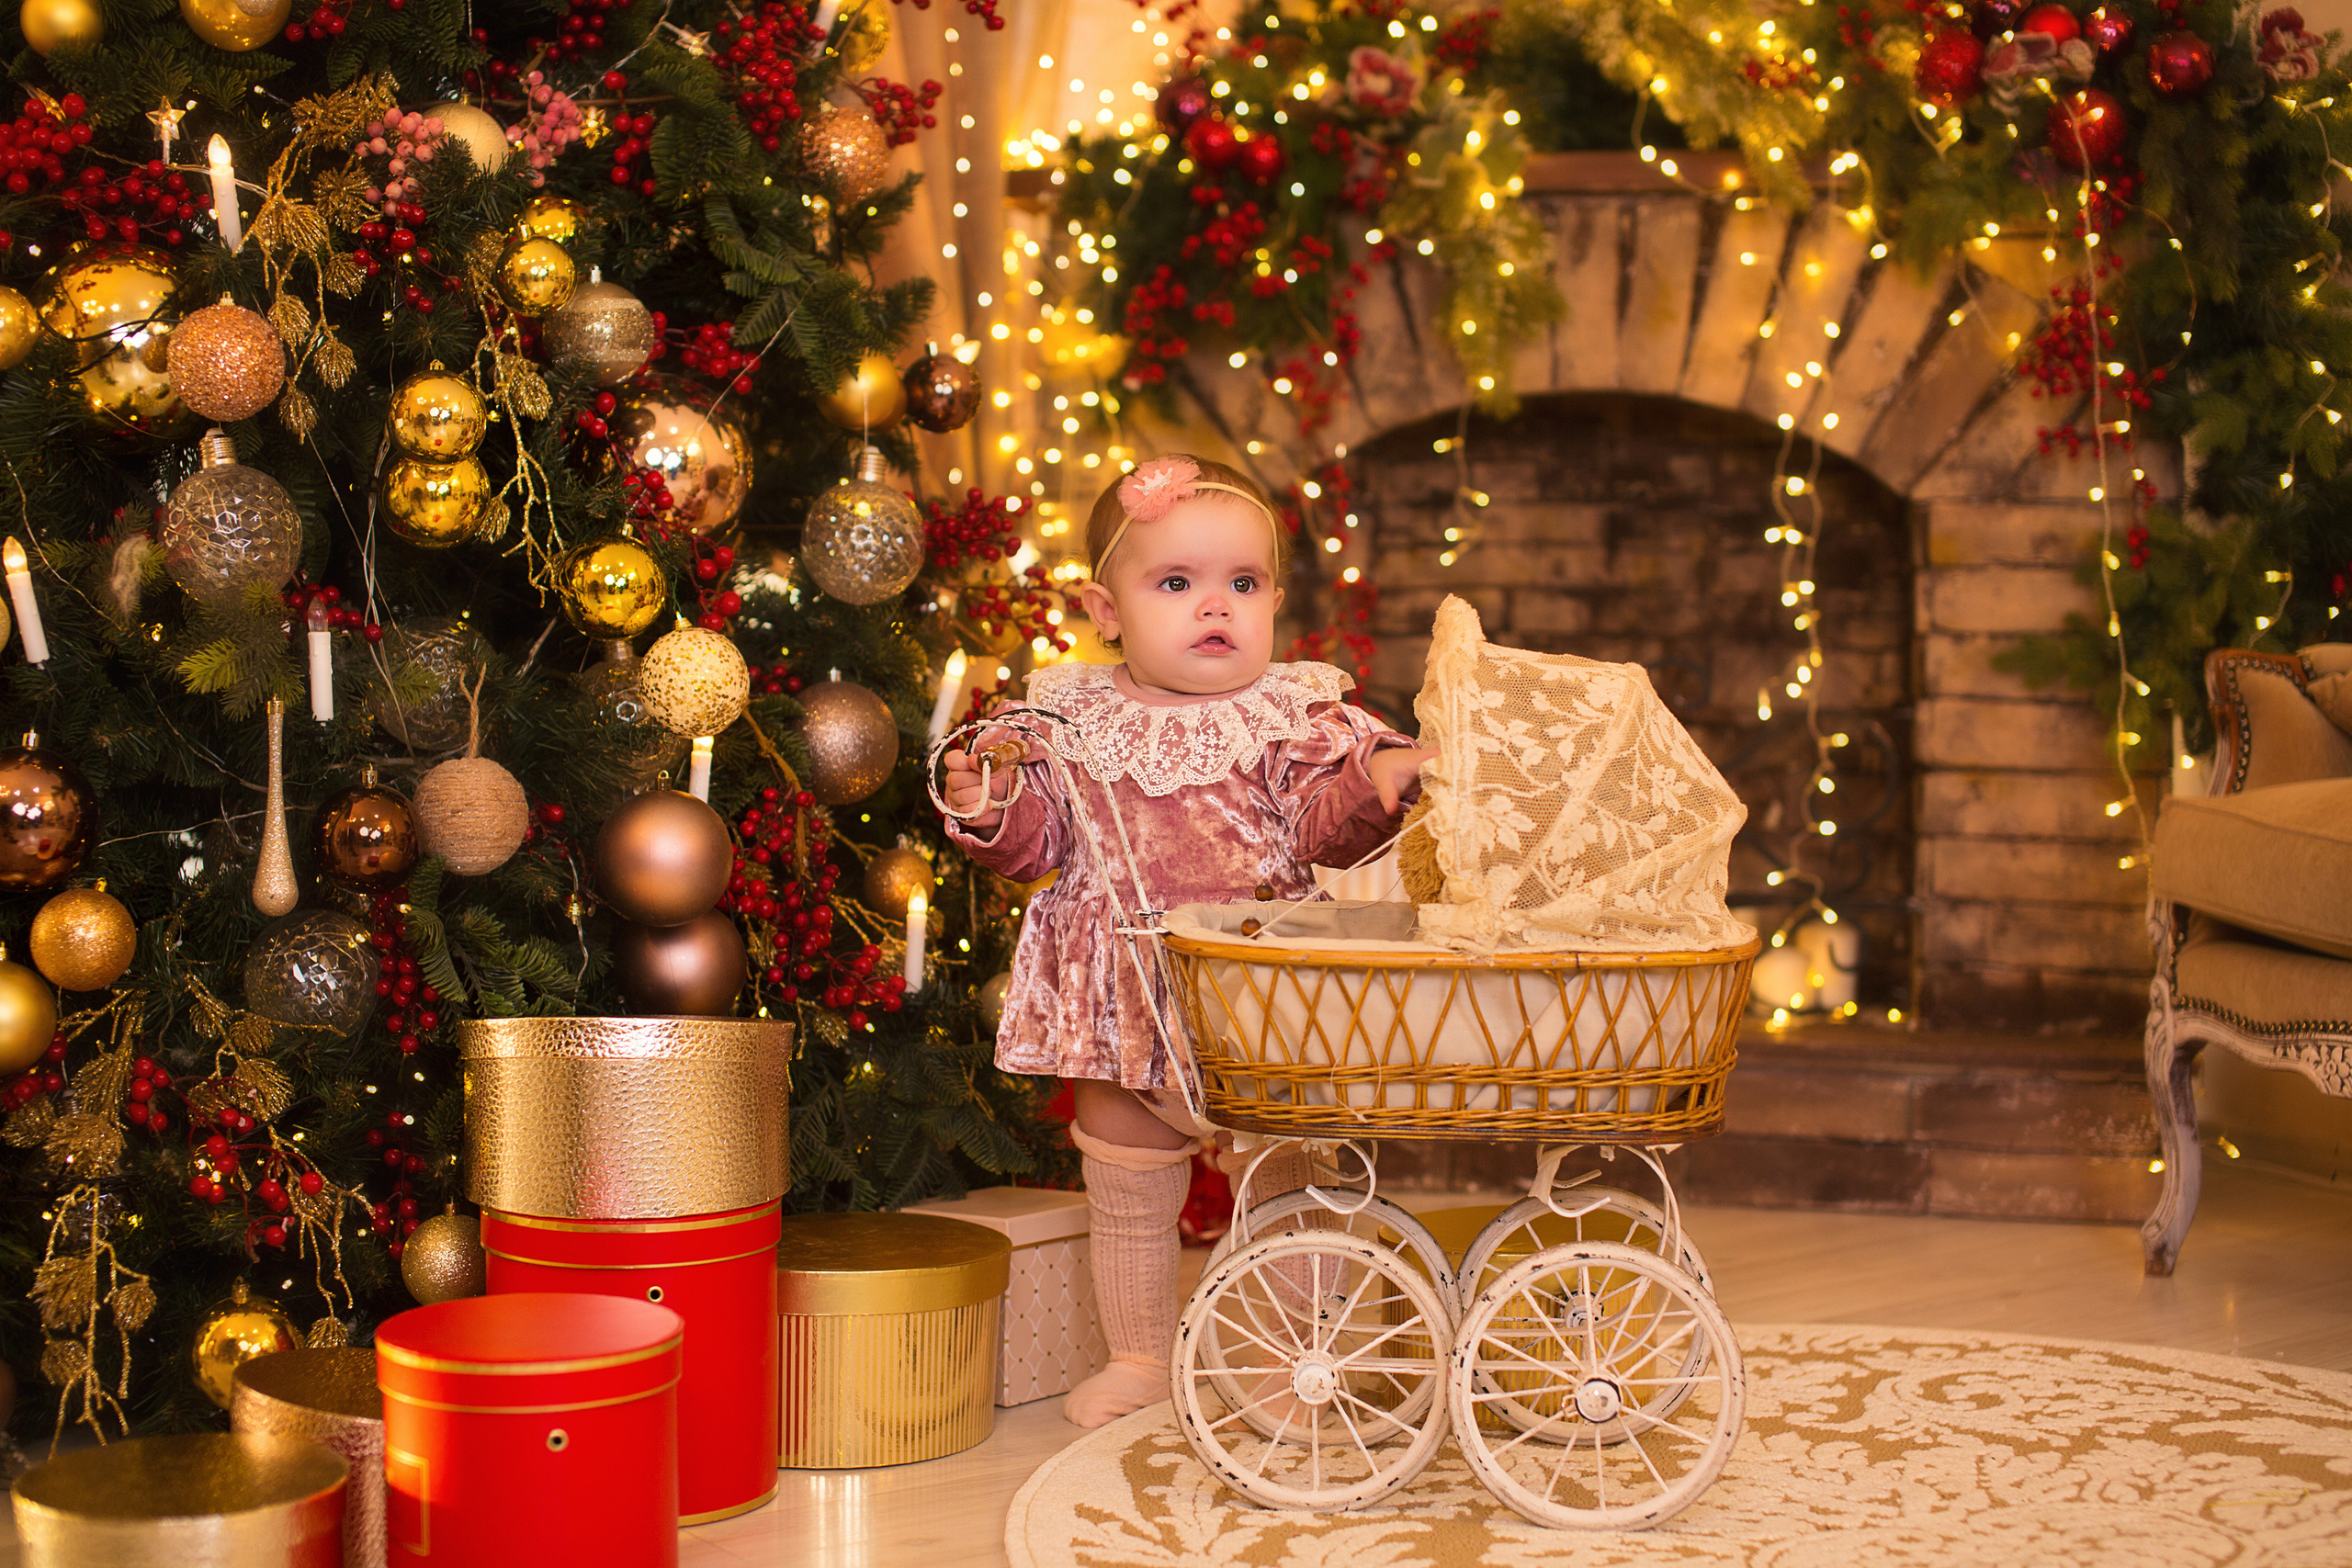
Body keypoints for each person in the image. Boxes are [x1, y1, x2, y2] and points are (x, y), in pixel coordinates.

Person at [941, 454, 1431, 1427]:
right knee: (1126, 1179)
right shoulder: (1064, 721)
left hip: (1260, 991)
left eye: (1241, 585)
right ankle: (1139, 1358)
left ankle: (1288, 1359)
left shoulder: (1290, 715)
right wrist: (988, 802)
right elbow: (1038, 845)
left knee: (1290, 1180)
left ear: (1276, 602)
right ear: (1106, 608)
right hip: (1122, 986)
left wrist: (1378, 784)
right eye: (1177, 584)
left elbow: (1320, 826)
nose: (1216, 607)